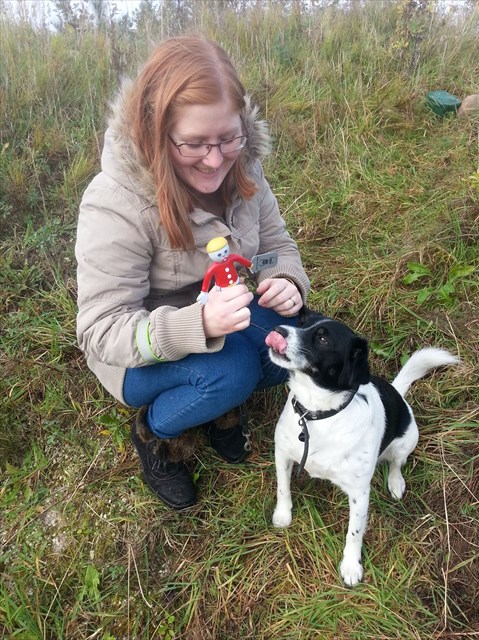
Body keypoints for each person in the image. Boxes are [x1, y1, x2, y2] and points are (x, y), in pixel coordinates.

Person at [75, 34, 310, 510]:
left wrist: (286, 280)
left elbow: (278, 245)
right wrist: (196, 325)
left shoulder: (244, 169)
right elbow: (101, 331)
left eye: (228, 138)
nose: (216, 159)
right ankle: (156, 433)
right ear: (156, 132)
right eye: (194, 143)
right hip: (136, 352)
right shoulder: (115, 202)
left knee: (294, 341)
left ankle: (221, 406)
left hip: (222, 312)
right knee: (234, 372)